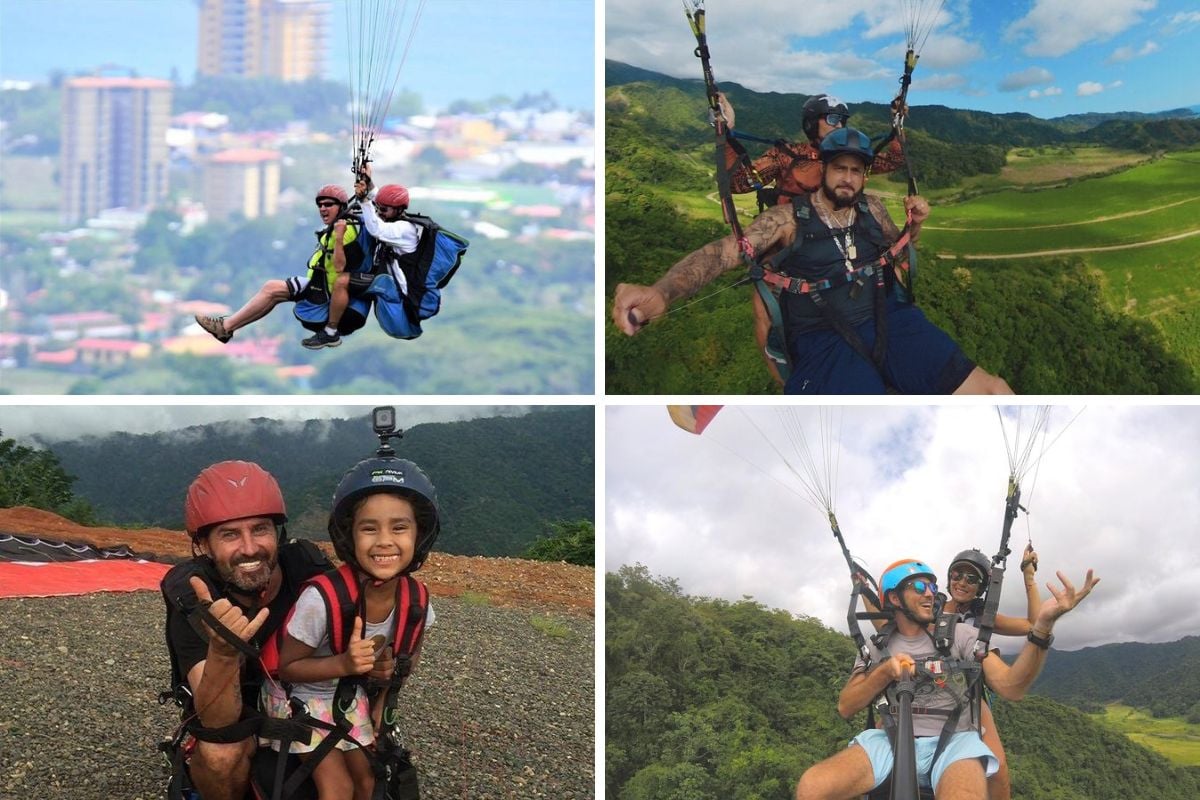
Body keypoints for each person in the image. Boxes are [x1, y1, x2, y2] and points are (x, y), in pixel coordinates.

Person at [611, 126, 1013, 395]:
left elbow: (901, 251)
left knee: (991, 390)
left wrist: (917, 225)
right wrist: (663, 291)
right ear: (824, 170)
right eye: (840, 168)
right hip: (823, 337)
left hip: (888, 317)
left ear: (865, 177)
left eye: (857, 171)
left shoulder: (874, 208)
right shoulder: (787, 219)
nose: (848, 178)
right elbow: (725, 252)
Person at [795, 559, 1099, 800]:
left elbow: (1011, 686)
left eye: (931, 585)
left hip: (955, 739)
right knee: (813, 787)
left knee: (988, 781)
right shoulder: (878, 645)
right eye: (918, 586)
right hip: (891, 736)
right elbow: (846, 706)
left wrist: (1041, 629)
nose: (930, 592)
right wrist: (885, 672)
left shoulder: (961, 633)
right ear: (894, 599)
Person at [264, 453, 439, 800]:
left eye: (399, 527)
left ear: (419, 534)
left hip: (349, 697)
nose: (385, 541)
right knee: (338, 788)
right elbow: (288, 667)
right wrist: (345, 663)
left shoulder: (417, 603)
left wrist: (384, 688)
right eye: (369, 528)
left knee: (370, 781)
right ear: (349, 536)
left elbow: (408, 656)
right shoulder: (321, 600)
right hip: (300, 698)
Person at [160, 460, 331, 800]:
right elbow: (218, 723)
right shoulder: (193, 597)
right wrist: (223, 651)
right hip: (239, 721)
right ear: (204, 545)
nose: (250, 548)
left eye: (260, 529)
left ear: (278, 533)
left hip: (305, 708)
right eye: (230, 534)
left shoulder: (307, 571)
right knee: (221, 753)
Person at [721, 92, 907, 385]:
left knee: (892, 269)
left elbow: (894, 159)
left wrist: (897, 125)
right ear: (811, 125)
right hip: (793, 242)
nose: (839, 124)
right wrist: (725, 132)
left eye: (843, 120)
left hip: (843, 239)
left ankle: (895, 332)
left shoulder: (849, 154)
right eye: (832, 119)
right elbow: (739, 182)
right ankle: (786, 379)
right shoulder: (787, 155)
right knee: (763, 302)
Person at [194, 184, 363, 349]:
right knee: (272, 290)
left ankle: (226, 327)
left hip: (327, 290)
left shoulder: (344, 230)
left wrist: (339, 237)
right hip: (320, 284)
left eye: (328, 204)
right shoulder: (338, 227)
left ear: (341, 207)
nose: (322, 209)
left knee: (272, 289)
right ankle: (227, 327)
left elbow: (340, 267)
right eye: (320, 205)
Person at [941, 546, 1041, 800]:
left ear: (981, 587)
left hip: (970, 694)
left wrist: (1028, 577)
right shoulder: (932, 609)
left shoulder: (984, 617)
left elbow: (1033, 625)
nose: (962, 582)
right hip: (929, 688)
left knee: (998, 770)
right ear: (949, 577)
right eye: (957, 575)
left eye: (971, 578)